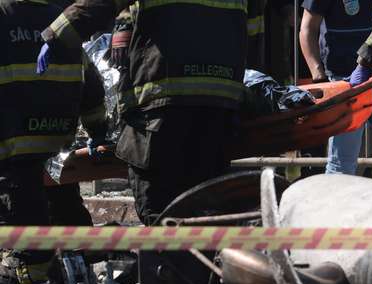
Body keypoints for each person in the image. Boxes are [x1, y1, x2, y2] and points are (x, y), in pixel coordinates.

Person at [37, 0, 259, 225]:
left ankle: (171, 259)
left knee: (159, 206)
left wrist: (58, 34)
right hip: (221, 98)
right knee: (205, 203)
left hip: (165, 96)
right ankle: (200, 258)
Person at [0, 0, 106, 284]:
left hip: (12, 158)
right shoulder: (61, 19)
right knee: (74, 232)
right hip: (60, 160)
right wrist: (98, 131)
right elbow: (93, 89)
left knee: (29, 250)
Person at [300, 0, 372, 182]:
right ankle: (332, 210)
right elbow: (307, 29)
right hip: (347, 88)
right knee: (341, 167)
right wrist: (319, 77)